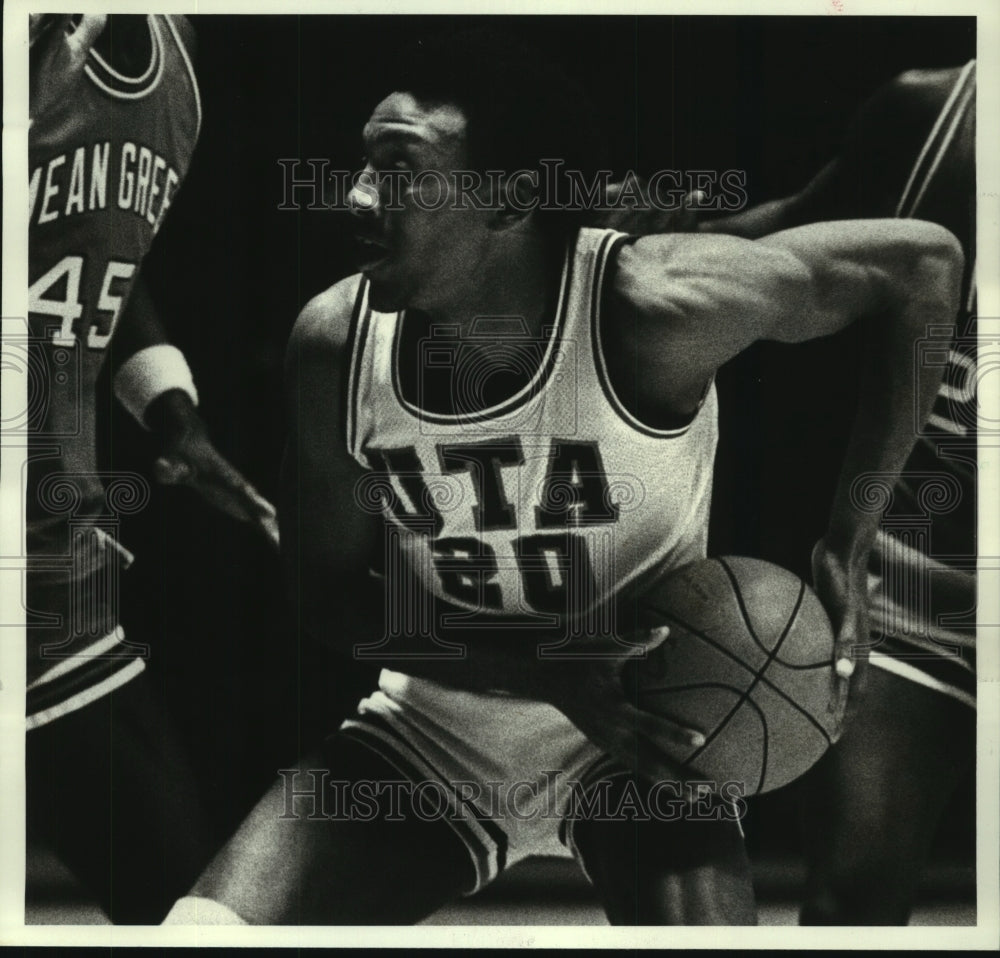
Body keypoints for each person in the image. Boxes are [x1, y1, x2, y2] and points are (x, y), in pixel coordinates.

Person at [162, 34, 963, 926]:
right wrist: (547, 670)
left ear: (508, 200)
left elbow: (922, 266)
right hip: (434, 734)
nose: (355, 196)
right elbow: (328, 595)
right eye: (363, 165)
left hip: (644, 739)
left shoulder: (646, 310)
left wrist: (850, 536)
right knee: (199, 936)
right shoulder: (334, 346)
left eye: (399, 171)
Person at [702, 61, 977, 925]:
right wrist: (627, 247)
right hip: (921, 567)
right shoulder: (940, 111)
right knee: (852, 890)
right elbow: (792, 233)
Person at [25, 13, 277, 923]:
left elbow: (91, 254)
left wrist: (175, 419)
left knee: (183, 908)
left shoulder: (179, 57)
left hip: (51, 566)